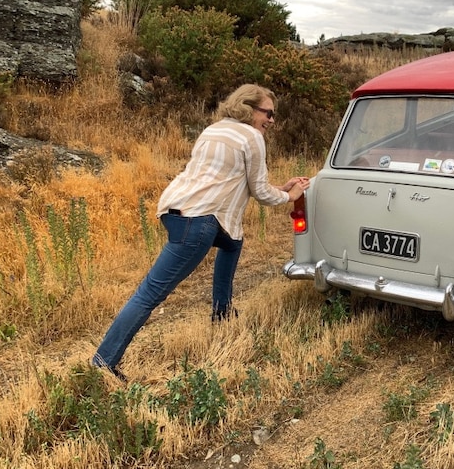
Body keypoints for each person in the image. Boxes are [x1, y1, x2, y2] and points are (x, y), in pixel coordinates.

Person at [91, 83, 310, 380]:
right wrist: (291, 195)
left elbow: (234, 180)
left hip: (176, 210)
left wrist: (280, 188)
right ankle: (103, 363)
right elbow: (260, 193)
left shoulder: (214, 129)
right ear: (248, 108)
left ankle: (222, 312)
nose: (271, 120)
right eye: (268, 114)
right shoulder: (253, 137)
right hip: (199, 221)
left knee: (233, 241)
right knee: (150, 294)